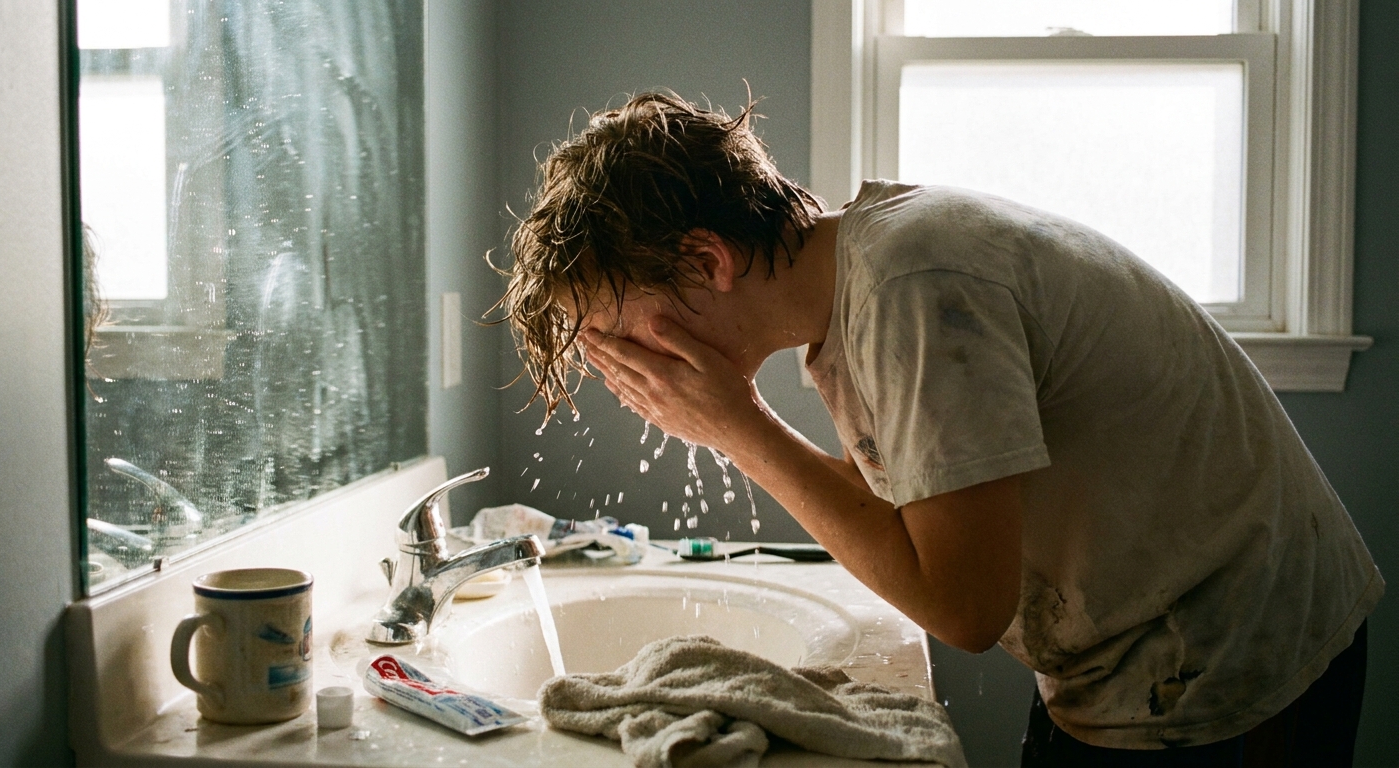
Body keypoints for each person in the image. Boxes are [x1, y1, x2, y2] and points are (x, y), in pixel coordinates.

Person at [495, 92, 1382, 767]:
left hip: (1225, 652)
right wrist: (739, 423)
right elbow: (910, 514)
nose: (616, 364)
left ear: (705, 261)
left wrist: (740, 428)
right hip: (1142, 649)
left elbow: (963, 606)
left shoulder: (912, 289)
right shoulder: (861, 285)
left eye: (616, 331)